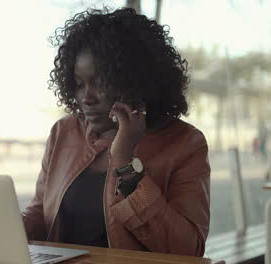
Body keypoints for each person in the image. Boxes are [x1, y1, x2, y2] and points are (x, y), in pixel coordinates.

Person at [22, 8, 210, 257]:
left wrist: (125, 164)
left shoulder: (185, 143)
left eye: (100, 82)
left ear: (136, 80)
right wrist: (2, 228)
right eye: (78, 84)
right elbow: (39, 216)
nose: (86, 98)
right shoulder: (64, 132)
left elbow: (188, 249)